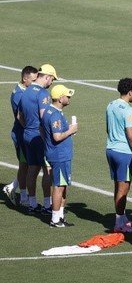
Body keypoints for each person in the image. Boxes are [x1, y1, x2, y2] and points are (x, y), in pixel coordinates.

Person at [17, 64, 57, 213]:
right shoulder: (43, 94)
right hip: (39, 137)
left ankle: (32, 203)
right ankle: (47, 205)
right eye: (52, 79)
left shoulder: (26, 91)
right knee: (47, 170)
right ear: (46, 77)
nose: (51, 83)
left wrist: (29, 127)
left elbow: (19, 116)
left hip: (27, 134)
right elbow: (44, 117)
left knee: (32, 169)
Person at [105, 78, 132, 233]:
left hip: (111, 149)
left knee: (118, 186)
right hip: (123, 152)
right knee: (123, 188)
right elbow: (131, 135)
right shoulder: (128, 110)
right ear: (130, 92)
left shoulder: (111, 105)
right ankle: (119, 223)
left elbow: (108, 128)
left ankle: (122, 217)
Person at [40, 85, 78, 227]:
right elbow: (56, 136)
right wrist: (71, 130)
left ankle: (60, 216)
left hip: (57, 153)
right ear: (60, 98)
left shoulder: (49, 111)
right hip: (59, 155)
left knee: (63, 185)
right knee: (59, 186)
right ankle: (55, 219)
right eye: (67, 96)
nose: (69, 98)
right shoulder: (55, 114)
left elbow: (42, 130)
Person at [4, 66, 38, 207]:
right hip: (21, 134)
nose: (35, 83)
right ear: (25, 79)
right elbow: (20, 116)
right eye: (33, 80)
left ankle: (13, 187)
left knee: (28, 164)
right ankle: (23, 196)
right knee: (26, 165)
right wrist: (31, 129)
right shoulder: (19, 94)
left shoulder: (26, 90)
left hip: (25, 133)